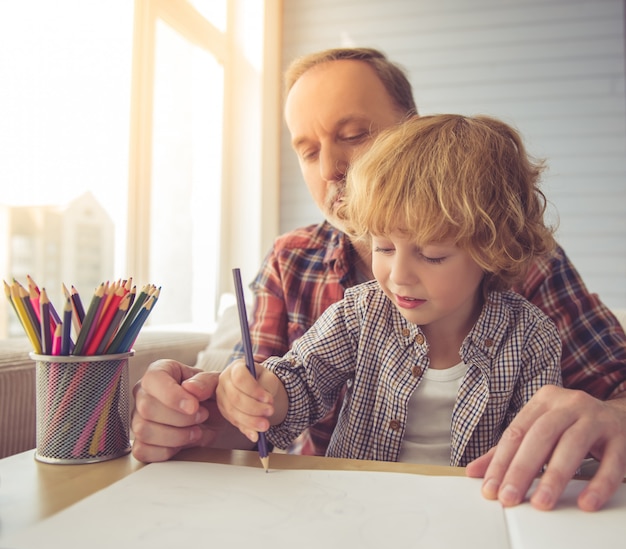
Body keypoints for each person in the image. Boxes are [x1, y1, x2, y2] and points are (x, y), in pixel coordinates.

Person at [131, 47, 626, 512]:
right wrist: (206, 410)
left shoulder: (524, 275)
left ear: (411, 134)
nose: (330, 169)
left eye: (353, 135)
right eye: (307, 150)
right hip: (339, 510)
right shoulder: (304, 269)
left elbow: (566, 420)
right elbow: (271, 394)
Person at [216, 113, 563, 466]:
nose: (399, 276)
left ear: (492, 250)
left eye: (431, 255)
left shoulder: (531, 339)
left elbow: (539, 450)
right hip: (356, 505)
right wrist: (268, 391)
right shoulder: (360, 314)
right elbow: (302, 381)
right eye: (383, 248)